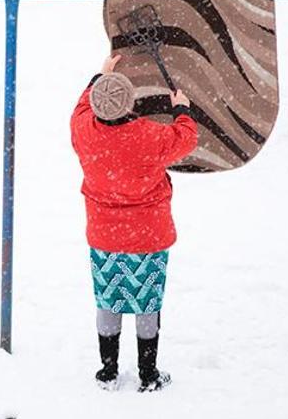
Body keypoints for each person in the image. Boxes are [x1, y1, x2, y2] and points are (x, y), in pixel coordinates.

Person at [70, 54, 198, 392]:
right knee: (147, 303)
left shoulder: (83, 131)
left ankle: (108, 372)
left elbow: (81, 108)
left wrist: (100, 77)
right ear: (131, 103)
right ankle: (148, 374)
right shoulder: (149, 137)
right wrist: (182, 109)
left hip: (104, 235)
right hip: (148, 235)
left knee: (107, 300)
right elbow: (186, 138)